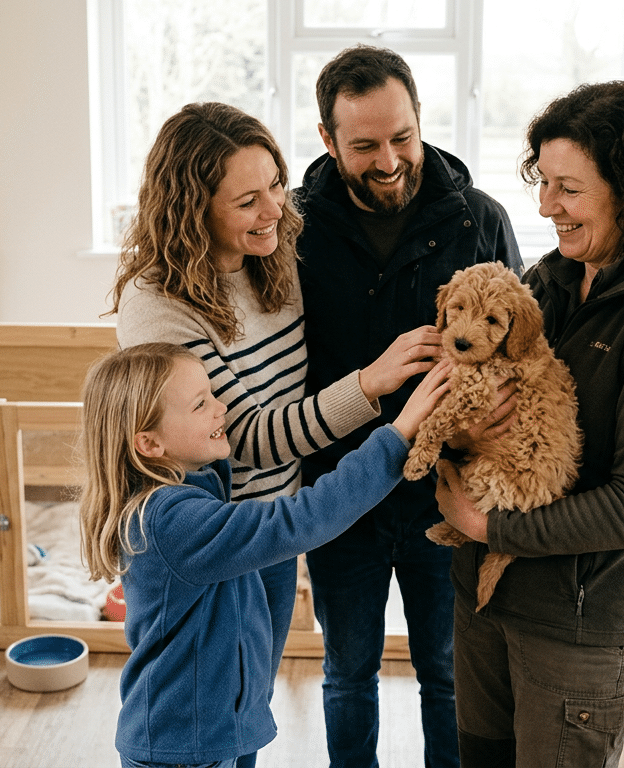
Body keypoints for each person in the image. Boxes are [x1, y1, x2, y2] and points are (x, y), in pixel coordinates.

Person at [110, 102, 442, 768]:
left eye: (275, 184)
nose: (274, 210)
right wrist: (374, 388)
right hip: (223, 532)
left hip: (274, 526)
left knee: (247, 708)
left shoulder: (274, 255)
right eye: (247, 200)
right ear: (192, 208)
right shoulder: (157, 305)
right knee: (204, 708)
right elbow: (248, 438)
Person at [433, 80, 624, 767]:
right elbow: (479, 395)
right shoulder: (547, 283)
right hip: (484, 600)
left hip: (575, 633)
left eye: (567, 187)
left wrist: (489, 526)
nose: (545, 206)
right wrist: (460, 438)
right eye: (542, 182)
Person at [293, 44, 520, 768]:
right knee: (347, 675)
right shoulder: (293, 231)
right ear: (328, 141)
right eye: (364, 146)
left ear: (421, 120)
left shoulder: (478, 219)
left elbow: (520, 353)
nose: (388, 161)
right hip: (340, 495)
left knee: (448, 679)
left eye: (402, 138)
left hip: (445, 499)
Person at [77, 342, 452, 768]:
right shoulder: (174, 521)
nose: (222, 409)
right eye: (201, 404)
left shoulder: (193, 495)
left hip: (213, 736)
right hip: (185, 750)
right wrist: (398, 434)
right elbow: (303, 519)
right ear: (149, 443)